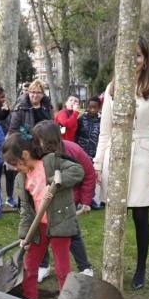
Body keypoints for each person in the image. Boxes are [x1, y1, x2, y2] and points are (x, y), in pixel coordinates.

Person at [94, 36, 149, 289]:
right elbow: (105, 131)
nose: (133, 60)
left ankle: (140, 268)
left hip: (144, 157)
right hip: (115, 155)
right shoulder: (112, 88)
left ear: (145, 59)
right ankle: (112, 265)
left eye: (137, 55)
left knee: (140, 215)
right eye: (129, 54)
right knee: (115, 215)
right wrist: (97, 163)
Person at [3, 124, 83, 299]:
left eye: (15, 163)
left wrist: (56, 181)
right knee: (30, 265)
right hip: (38, 227)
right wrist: (24, 235)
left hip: (60, 223)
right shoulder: (21, 179)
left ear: (25, 155)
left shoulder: (51, 162)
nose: (15, 168)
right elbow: (25, 210)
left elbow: (77, 171)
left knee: (62, 269)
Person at [31, 115, 97, 278]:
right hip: (43, 202)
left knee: (72, 233)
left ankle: (85, 268)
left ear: (50, 140)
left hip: (68, 201)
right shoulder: (37, 154)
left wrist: (85, 201)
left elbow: (89, 174)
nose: (36, 143)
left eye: (39, 140)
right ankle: (43, 266)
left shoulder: (73, 150)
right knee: (41, 234)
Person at [7, 80, 53, 208]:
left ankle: (43, 205)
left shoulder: (47, 107)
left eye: (38, 92)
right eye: (32, 92)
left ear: (43, 94)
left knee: (43, 178)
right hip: (26, 149)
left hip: (44, 150)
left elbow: (52, 125)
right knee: (25, 180)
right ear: (28, 92)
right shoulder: (20, 108)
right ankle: (24, 207)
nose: (35, 95)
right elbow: (13, 130)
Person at [77, 97, 102, 207]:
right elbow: (76, 134)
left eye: (95, 107)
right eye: (90, 107)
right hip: (81, 152)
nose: (92, 110)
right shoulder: (81, 119)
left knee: (92, 177)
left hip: (94, 153)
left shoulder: (102, 121)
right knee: (80, 176)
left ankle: (91, 200)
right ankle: (79, 200)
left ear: (99, 108)